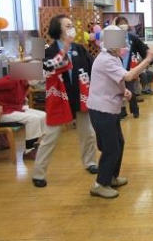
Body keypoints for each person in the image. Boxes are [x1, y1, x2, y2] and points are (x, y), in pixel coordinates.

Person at [87, 25, 153, 199]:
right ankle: (100, 184)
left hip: (109, 107)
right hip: (101, 109)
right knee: (111, 147)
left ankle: (111, 177)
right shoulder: (106, 59)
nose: (123, 44)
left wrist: (122, 90)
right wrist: (147, 60)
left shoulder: (113, 57)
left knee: (118, 143)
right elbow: (129, 76)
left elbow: (117, 79)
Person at [32, 15, 98, 188]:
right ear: (58, 30)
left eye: (72, 25)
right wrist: (65, 47)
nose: (72, 28)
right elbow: (49, 66)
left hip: (80, 95)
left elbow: (92, 69)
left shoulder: (80, 48)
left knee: (88, 133)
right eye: (68, 25)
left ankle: (90, 162)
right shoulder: (47, 49)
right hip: (59, 97)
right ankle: (39, 172)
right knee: (50, 136)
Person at [0, 78, 45, 160]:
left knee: (43, 115)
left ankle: (34, 145)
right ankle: (29, 151)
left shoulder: (25, 84)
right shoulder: (12, 79)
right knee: (33, 119)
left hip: (13, 109)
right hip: (0, 113)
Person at [114, 16, 151, 119]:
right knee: (118, 91)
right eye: (121, 23)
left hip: (130, 69)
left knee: (131, 90)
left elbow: (143, 48)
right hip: (117, 69)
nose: (123, 25)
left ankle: (135, 109)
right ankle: (122, 111)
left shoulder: (132, 37)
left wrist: (149, 57)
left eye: (125, 22)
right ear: (116, 26)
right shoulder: (113, 38)